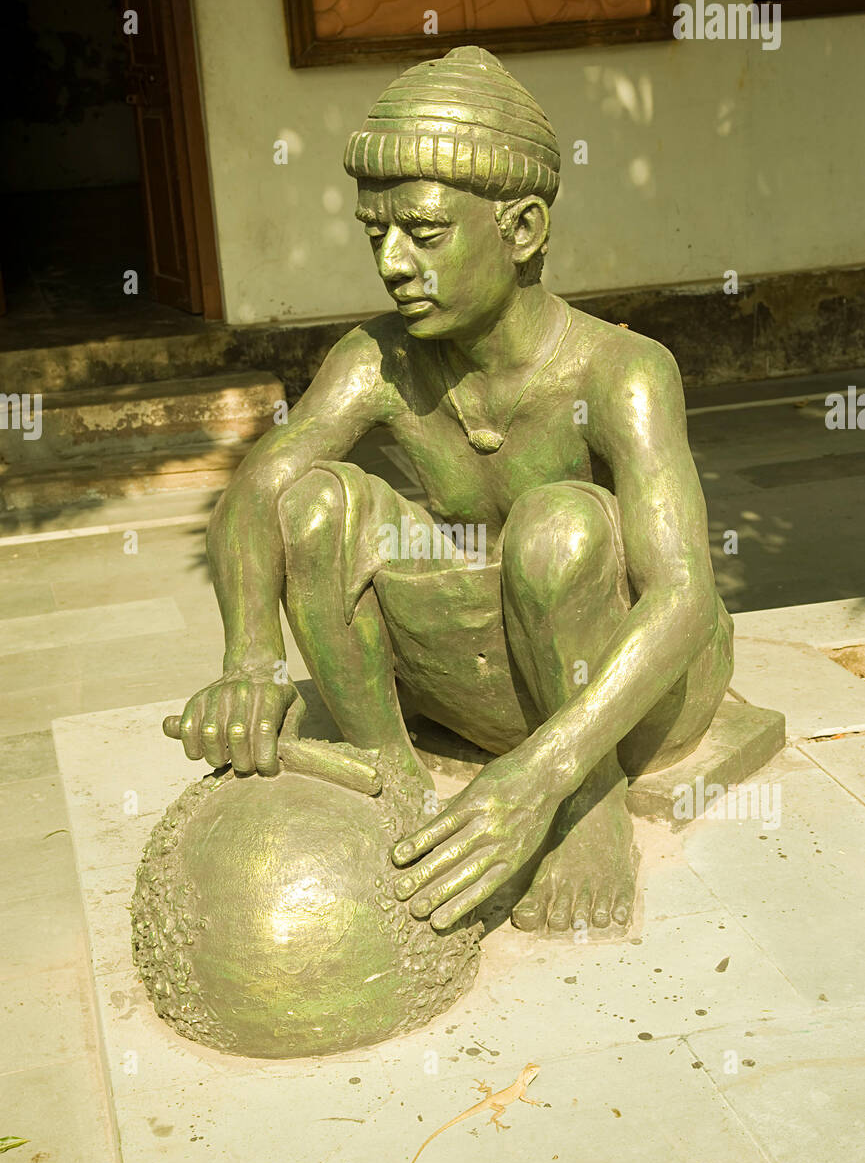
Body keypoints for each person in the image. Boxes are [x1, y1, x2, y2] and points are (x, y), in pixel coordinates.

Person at [167, 46, 732, 937]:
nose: (392, 263)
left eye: (423, 235)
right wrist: (249, 661)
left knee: (559, 524)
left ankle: (591, 805)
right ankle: (387, 772)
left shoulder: (622, 370)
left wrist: (546, 773)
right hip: (491, 669)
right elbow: (258, 488)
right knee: (314, 504)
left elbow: (683, 594)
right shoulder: (379, 358)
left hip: (620, 698)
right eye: (375, 234)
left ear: (522, 231)